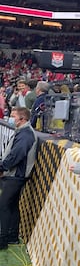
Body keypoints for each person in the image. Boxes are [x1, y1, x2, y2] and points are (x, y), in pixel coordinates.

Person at [0, 107, 38, 249]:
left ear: (22, 119)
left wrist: (3, 167)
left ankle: (3, 240)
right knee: (12, 206)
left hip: (16, 175)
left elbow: (17, 154)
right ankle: (12, 236)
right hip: (16, 174)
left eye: (13, 115)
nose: (10, 117)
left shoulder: (26, 134)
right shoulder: (23, 132)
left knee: (3, 205)